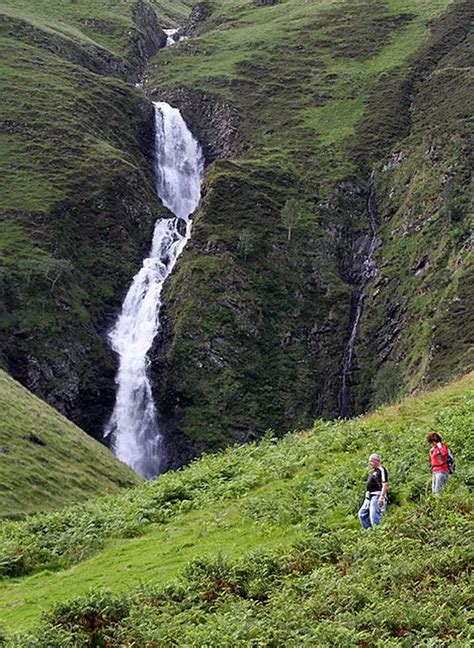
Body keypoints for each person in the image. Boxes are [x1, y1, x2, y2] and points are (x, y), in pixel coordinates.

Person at [358, 453, 388, 530]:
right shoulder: (372, 472)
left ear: (376, 461)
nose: (369, 463)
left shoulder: (381, 470)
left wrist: (381, 497)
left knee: (374, 515)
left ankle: (377, 532)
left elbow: (384, 484)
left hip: (377, 495)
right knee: (362, 514)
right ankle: (369, 531)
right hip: (369, 496)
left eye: (371, 461)